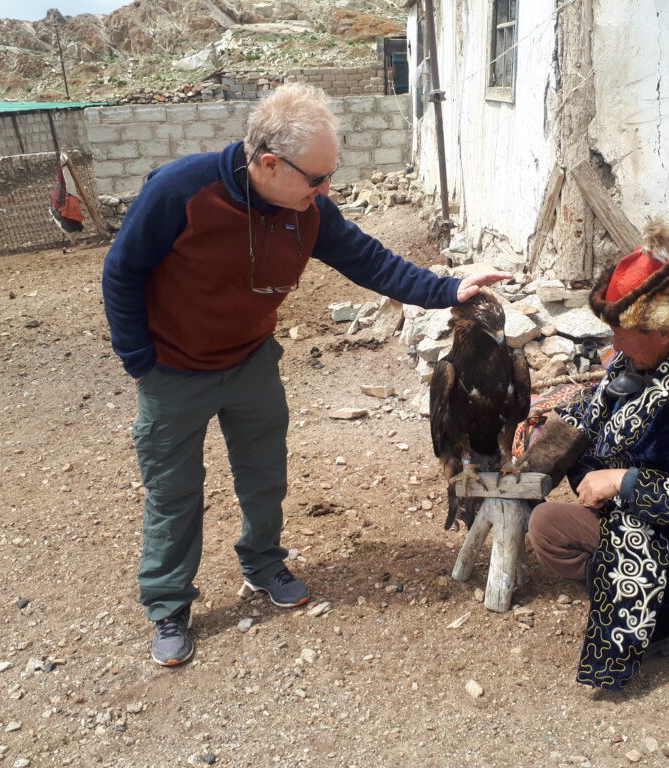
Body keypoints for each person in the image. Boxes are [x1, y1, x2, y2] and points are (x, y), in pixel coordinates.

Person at [102, 83, 509, 666]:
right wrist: (139, 362)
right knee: (173, 493)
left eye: (330, 177)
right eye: (317, 179)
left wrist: (448, 288)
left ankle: (263, 564)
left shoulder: (308, 210)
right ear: (269, 163)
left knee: (264, 474)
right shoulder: (181, 191)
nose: (326, 190)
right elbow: (122, 273)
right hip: (173, 371)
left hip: (251, 361)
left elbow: (369, 260)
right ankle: (169, 603)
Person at [519, 220, 669, 691]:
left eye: (622, 332)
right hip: (643, 510)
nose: (614, 345)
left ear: (664, 329)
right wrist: (538, 454)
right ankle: (628, 578)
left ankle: (663, 618)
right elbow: (593, 416)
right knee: (549, 508)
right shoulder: (639, 362)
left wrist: (624, 482)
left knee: (549, 527)